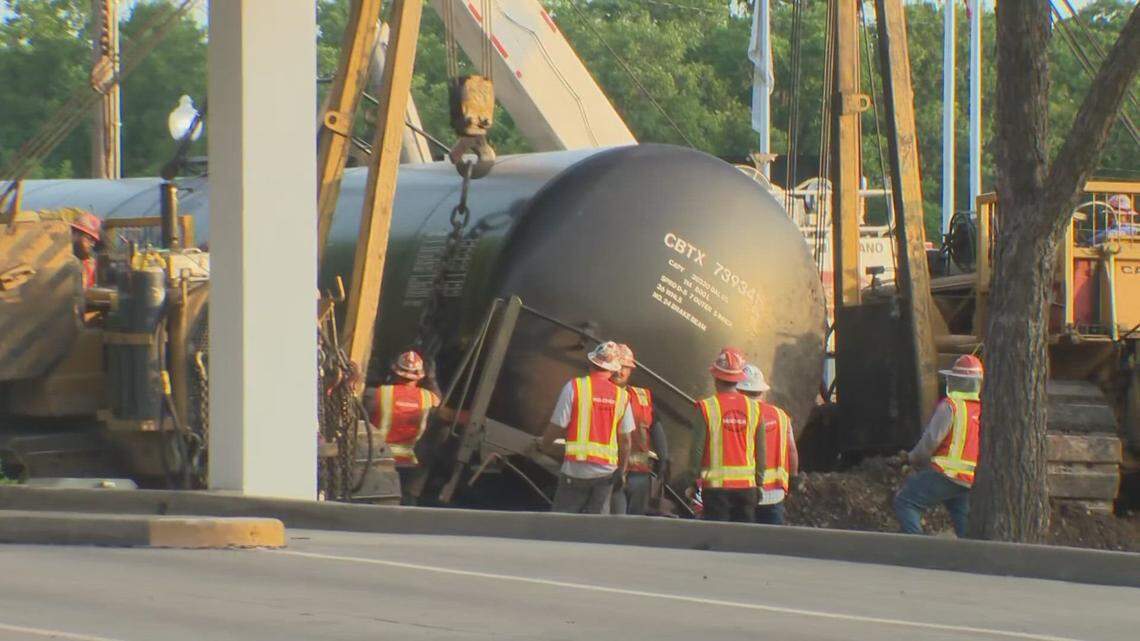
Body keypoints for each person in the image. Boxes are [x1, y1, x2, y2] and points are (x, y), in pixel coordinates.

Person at [893, 354, 984, 537]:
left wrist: (911, 458)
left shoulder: (951, 407)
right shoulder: (982, 410)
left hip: (946, 475)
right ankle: (972, 554)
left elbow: (930, 441)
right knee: (964, 525)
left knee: (906, 502)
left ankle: (917, 548)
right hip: (968, 481)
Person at [541, 341, 635, 514]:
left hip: (575, 471)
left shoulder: (574, 387)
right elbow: (625, 441)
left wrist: (545, 446)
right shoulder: (622, 397)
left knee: (562, 523)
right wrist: (621, 471)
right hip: (605, 475)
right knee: (596, 526)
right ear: (613, 369)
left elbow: (558, 425)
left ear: (591, 364)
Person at [689, 348, 765, 523]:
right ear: (739, 379)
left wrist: (693, 480)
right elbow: (761, 451)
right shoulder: (754, 408)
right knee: (743, 536)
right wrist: (759, 482)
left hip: (716, 489)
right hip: (747, 488)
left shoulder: (706, 407)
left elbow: (697, 449)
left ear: (716, 377)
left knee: (717, 535)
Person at [371, 350, 440, 505]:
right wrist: (432, 379)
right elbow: (439, 403)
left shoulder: (379, 393)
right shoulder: (429, 397)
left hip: (379, 458)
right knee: (405, 502)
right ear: (420, 376)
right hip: (408, 462)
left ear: (395, 372)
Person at [609, 344, 669, 516]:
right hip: (611, 471)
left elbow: (655, 427)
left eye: (624, 367)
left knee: (635, 520)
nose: (620, 371)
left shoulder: (642, 397)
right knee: (617, 520)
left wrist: (664, 459)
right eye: (617, 366)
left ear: (630, 370)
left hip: (639, 474)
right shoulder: (601, 395)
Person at [738, 364, 798, 525]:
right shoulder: (781, 415)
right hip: (774, 494)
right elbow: (791, 450)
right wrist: (793, 478)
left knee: (742, 538)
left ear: (738, 391)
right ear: (762, 391)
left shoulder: (737, 417)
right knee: (771, 538)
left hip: (744, 492)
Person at [68, 209, 101, 289]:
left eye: (93, 241)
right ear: (74, 235)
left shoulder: (90, 266)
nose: (92, 244)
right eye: (88, 239)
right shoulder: (58, 262)